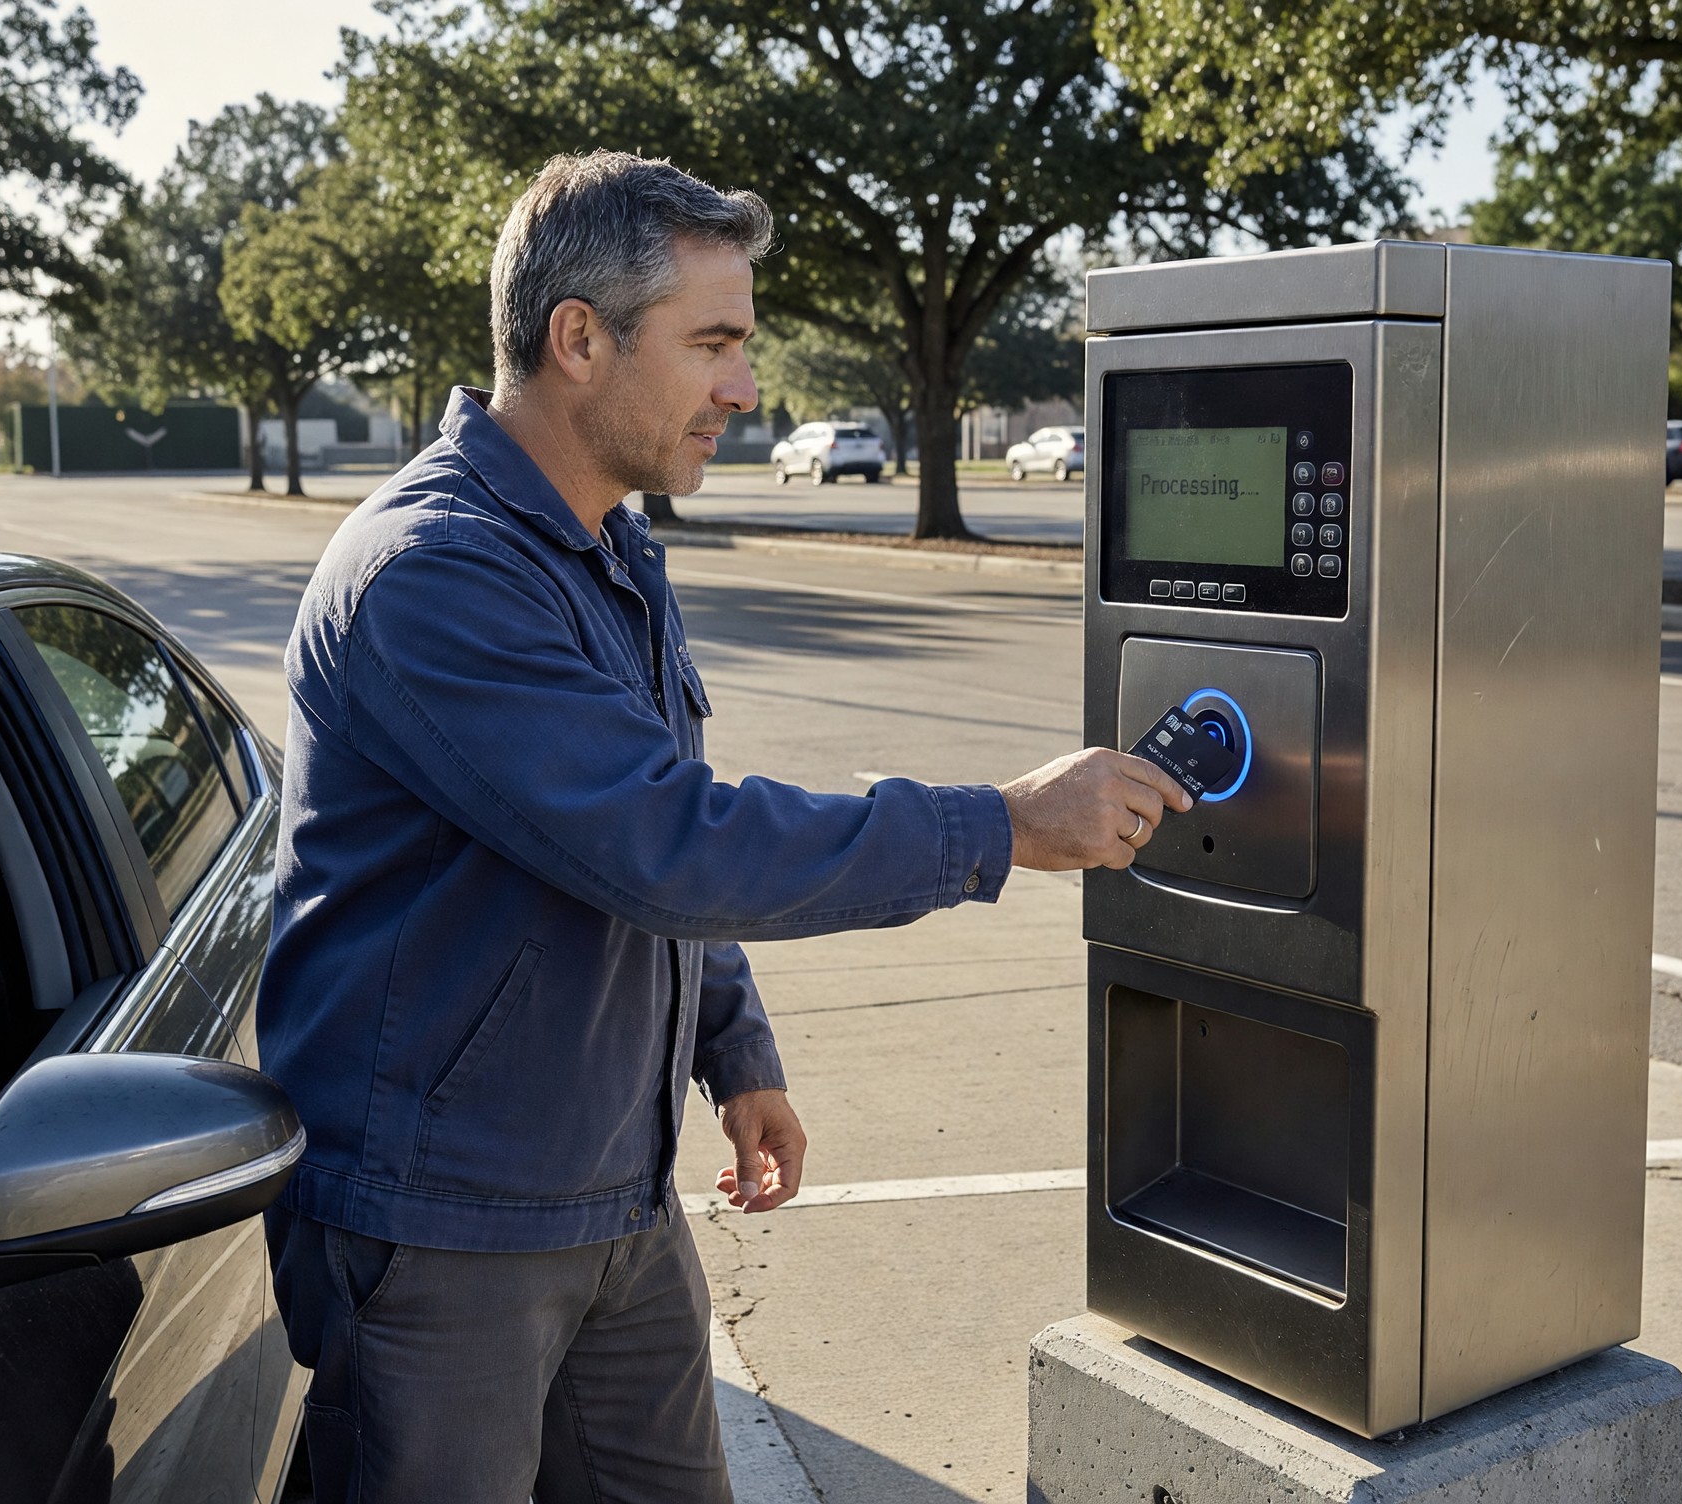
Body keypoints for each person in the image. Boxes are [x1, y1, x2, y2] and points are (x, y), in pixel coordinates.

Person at [258, 150, 1188, 1502]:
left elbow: (643, 831)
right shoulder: (435, 573)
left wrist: (731, 1046)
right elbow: (667, 841)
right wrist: (1001, 826)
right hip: (440, 1230)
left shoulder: (609, 542)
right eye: (714, 345)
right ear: (578, 339)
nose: (746, 392)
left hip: (615, 1201)